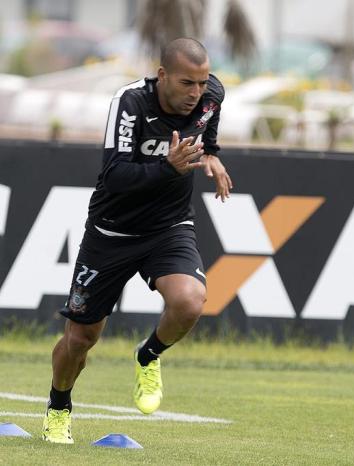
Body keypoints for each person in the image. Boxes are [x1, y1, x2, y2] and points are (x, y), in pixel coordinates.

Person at [41, 38, 233, 444]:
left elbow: (206, 125)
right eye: (186, 83)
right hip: (111, 232)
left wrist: (211, 153)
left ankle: (148, 356)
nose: (196, 93)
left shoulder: (211, 95)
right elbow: (114, 176)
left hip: (169, 227)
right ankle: (59, 406)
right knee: (80, 339)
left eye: (201, 83)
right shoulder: (130, 103)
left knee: (190, 301)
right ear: (161, 75)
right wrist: (167, 167)